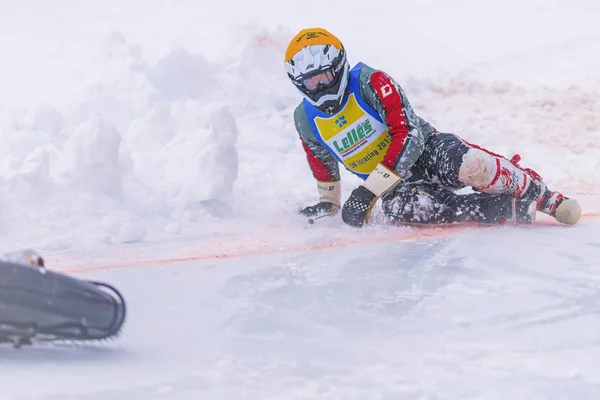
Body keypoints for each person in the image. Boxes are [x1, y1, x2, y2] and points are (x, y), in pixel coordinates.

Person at [284, 27, 581, 227]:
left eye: (324, 76)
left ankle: (543, 195)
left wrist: (368, 190)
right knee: (407, 211)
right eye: (311, 81)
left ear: (338, 67)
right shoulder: (304, 119)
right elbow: (320, 158)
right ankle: (502, 210)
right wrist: (328, 202)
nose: (320, 85)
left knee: (473, 165)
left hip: (428, 152)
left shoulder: (371, 82)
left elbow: (409, 135)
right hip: (395, 187)